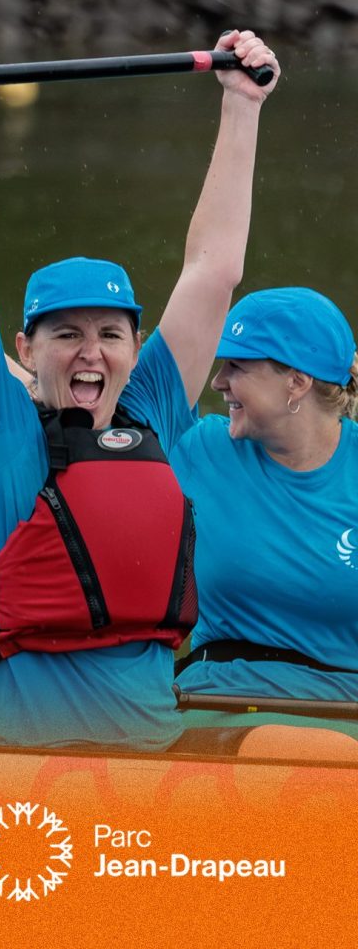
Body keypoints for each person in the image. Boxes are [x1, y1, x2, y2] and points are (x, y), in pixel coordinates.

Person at [0, 29, 279, 749]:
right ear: (26, 350)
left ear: (134, 347)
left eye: (110, 335)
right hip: (23, 776)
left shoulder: (151, 408)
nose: (91, 354)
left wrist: (242, 107)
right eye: (66, 335)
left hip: (149, 768)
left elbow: (213, 271)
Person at [168, 287, 358, 759]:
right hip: (219, 709)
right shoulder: (200, 448)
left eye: (237, 366)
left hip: (346, 718)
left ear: (296, 382)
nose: (218, 381)